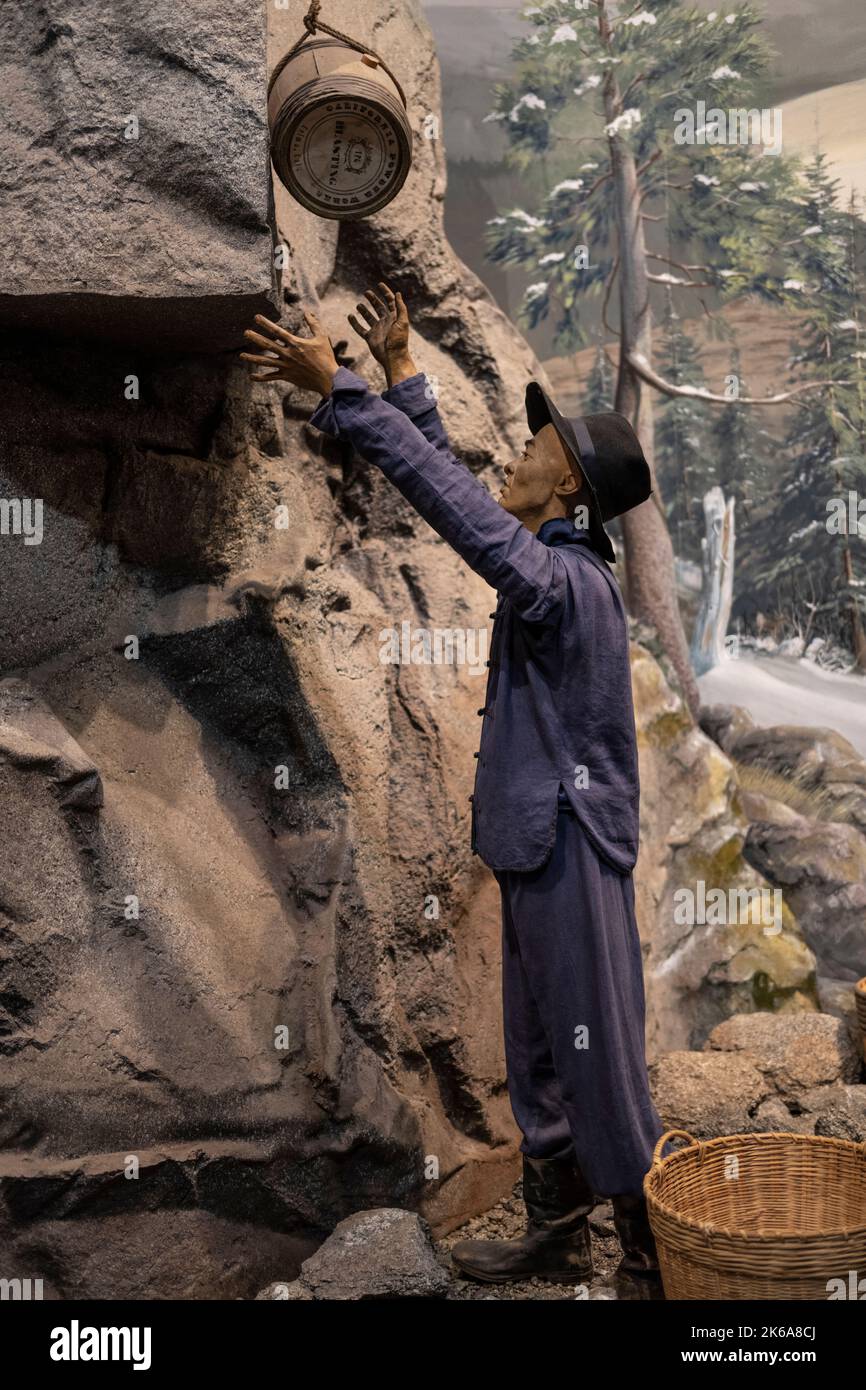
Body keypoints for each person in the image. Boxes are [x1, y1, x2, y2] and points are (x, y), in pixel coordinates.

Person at [241, 286, 665, 1286]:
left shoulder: (569, 586)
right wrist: (397, 376)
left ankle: (652, 1255)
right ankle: (558, 1230)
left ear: (565, 489)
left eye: (532, 451)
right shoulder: (551, 561)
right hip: (536, 839)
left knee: (596, 1050)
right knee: (535, 1047)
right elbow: (475, 501)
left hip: (569, 842)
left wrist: (342, 392)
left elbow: (467, 516)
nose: (512, 458)